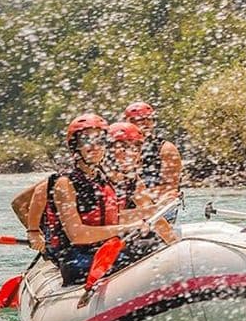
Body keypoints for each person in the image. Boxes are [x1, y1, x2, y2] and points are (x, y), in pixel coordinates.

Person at [43, 113, 176, 286]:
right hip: (77, 261)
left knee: (153, 242)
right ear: (75, 146)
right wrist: (128, 227)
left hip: (101, 251)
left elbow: (111, 219)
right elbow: (77, 235)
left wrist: (150, 214)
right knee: (149, 251)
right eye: (86, 140)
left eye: (100, 141)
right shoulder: (65, 182)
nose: (95, 146)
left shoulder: (101, 179)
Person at [123, 101, 182, 207]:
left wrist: (140, 195)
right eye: (140, 119)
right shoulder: (119, 149)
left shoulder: (166, 149)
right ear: (129, 123)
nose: (146, 123)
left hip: (158, 203)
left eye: (149, 119)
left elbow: (171, 188)